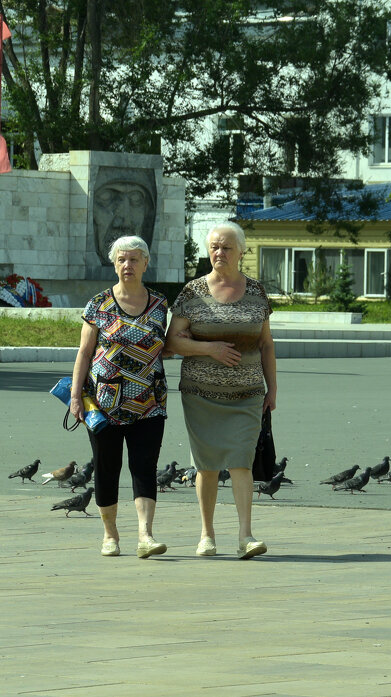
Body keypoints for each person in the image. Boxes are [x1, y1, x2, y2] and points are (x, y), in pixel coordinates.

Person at [165, 222, 276, 560]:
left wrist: (273, 389)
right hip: (201, 394)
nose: (219, 253)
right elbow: (171, 342)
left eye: (226, 247)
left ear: (241, 251)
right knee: (208, 464)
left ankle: (246, 536)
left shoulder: (256, 291)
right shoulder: (193, 292)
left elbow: (267, 345)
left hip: (248, 393)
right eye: (214, 246)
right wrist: (209, 349)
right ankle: (207, 535)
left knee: (242, 459)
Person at [69, 235, 170, 559]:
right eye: (122, 260)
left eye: (134, 259)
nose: (128, 265)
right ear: (114, 264)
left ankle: (145, 535)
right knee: (106, 467)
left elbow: (166, 345)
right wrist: (75, 397)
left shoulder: (159, 304)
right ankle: (110, 535)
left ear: (145, 263)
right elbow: (84, 353)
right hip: (104, 403)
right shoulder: (98, 304)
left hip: (149, 402)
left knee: (145, 467)